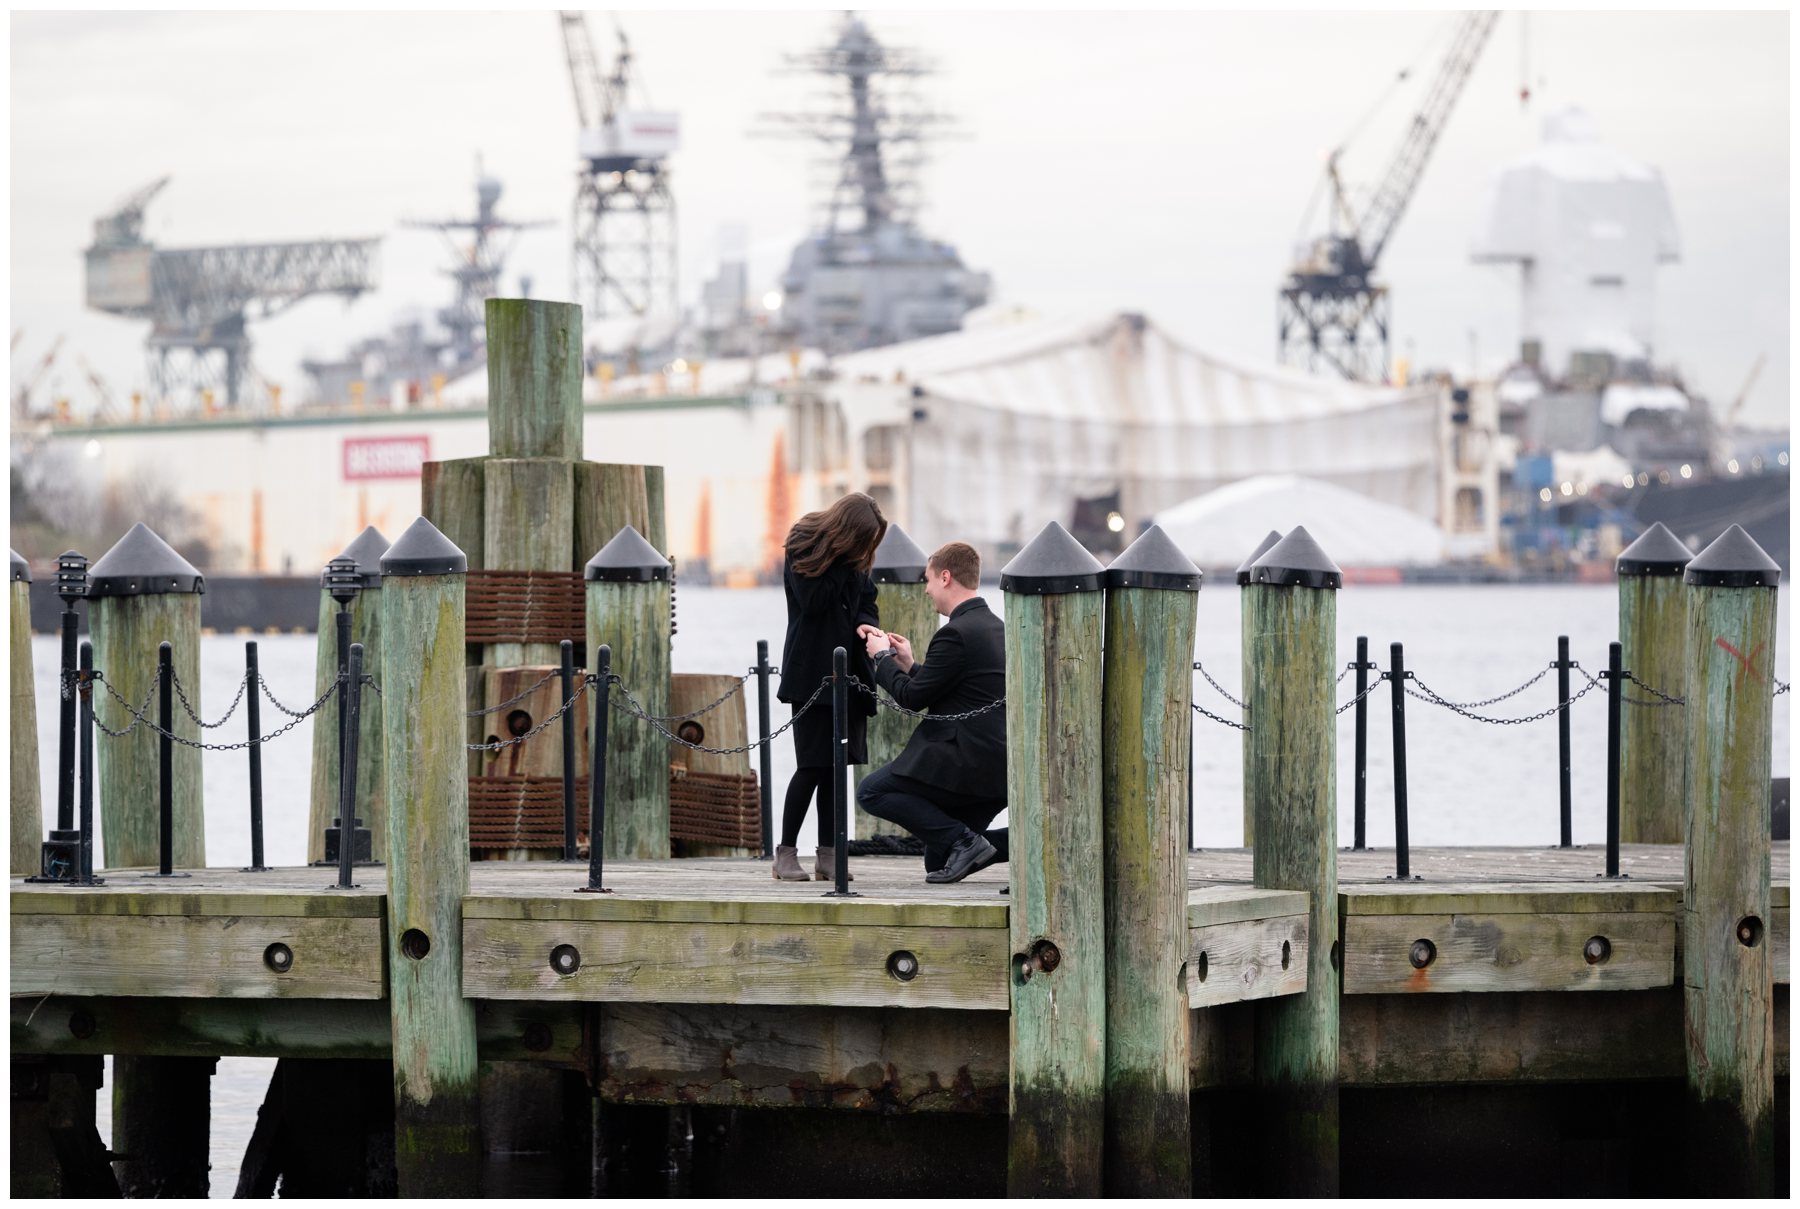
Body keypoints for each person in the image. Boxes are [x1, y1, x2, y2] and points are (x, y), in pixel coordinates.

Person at [855, 541, 1007, 884]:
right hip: (994, 766)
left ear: (946, 577)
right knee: (935, 860)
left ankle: (967, 841)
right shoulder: (994, 627)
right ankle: (1003, 843)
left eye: (928, 580)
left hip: (964, 764)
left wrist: (880, 658)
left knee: (872, 792)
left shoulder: (955, 633)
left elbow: (911, 699)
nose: (925, 589)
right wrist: (909, 664)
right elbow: (955, 686)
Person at [772, 492, 886, 882]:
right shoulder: (804, 543)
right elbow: (814, 601)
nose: (865, 552)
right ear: (847, 533)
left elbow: (867, 598)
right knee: (811, 766)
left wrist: (865, 622)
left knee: (837, 770)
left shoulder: (855, 560)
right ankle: (786, 852)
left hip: (851, 674)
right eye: (862, 542)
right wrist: (841, 560)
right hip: (812, 675)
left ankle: (828, 854)